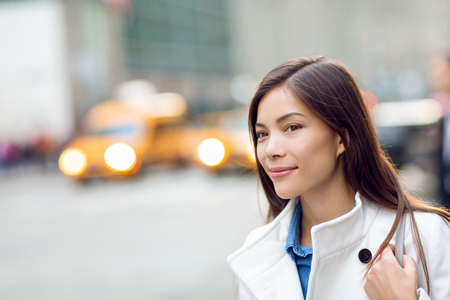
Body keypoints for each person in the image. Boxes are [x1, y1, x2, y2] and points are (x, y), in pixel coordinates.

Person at [227, 56, 450, 300]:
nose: (270, 149)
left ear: (342, 137)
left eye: (292, 127)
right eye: (262, 134)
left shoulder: (424, 235)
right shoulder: (259, 250)